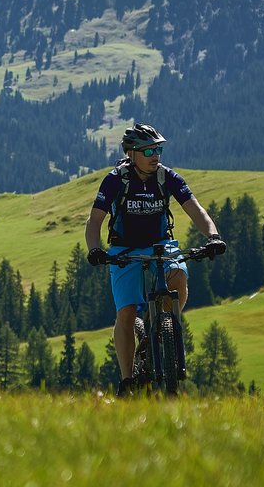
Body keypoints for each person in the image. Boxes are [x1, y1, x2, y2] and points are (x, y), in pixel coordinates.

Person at [84, 123, 226, 394]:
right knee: (125, 312)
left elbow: (196, 210)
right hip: (124, 250)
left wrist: (213, 236)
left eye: (158, 149)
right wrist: (94, 249)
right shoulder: (116, 179)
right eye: (148, 150)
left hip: (161, 245)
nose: (155, 155)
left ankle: (161, 329)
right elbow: (95, 221)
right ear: (131, 153)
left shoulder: (167, 177)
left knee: (179, 276)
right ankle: (127, 380)